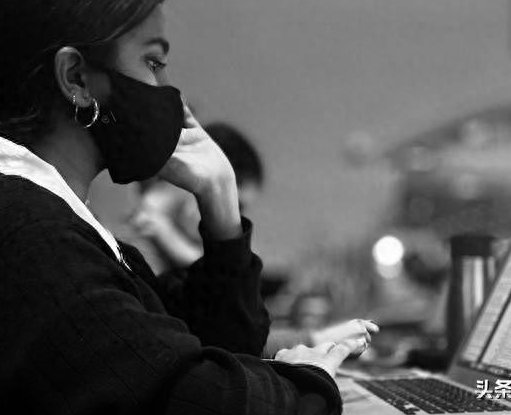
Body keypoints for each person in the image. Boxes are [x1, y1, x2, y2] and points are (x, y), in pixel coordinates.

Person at [0, 0, 375, 414]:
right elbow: (191, 398)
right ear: (76, 79)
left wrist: (220, 197)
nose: (167, 91)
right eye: (152, 63)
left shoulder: (28, 209)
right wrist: (309, 383)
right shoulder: (21, 229)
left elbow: (212, 347)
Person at [128, 122, 379, 357]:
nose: (233, 218)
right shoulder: (140, 255)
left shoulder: (163, 247)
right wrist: (317, 339)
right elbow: (221, 346)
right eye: (234, 205)